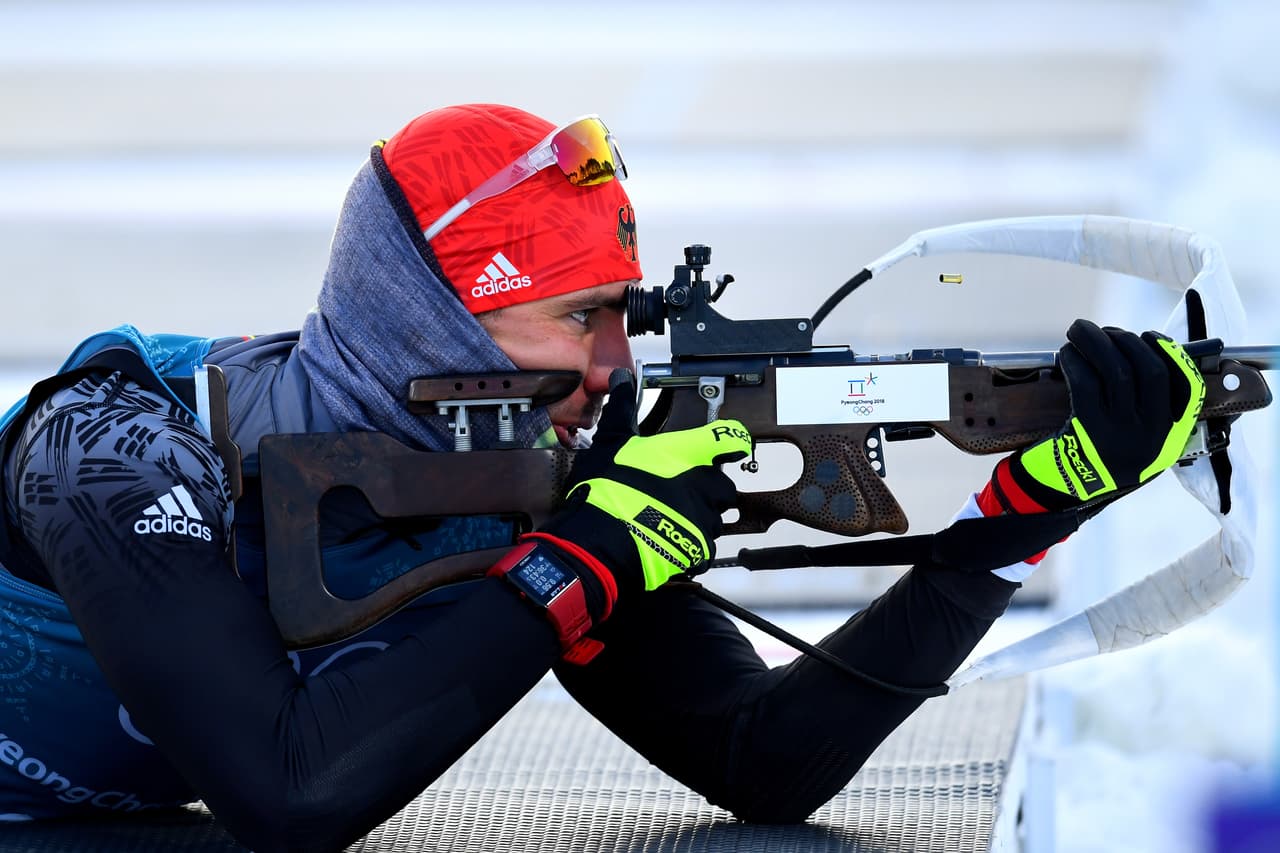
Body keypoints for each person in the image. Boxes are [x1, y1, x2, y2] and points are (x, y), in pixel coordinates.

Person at [0, 104, 1204, 852]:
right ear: (430, 320)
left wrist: (1009, 526)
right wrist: (583, 561)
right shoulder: (110, 452)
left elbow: (761, 761)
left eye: (627, 318)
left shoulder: (511, 480)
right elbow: (283, 793)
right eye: (581, 318)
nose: (617, 366)